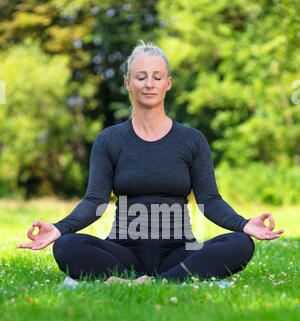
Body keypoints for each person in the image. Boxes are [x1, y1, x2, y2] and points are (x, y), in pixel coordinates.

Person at [17, 40, 285, 285]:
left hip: (179, 251)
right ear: (128, 84)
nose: (149, 84)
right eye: (141, 77)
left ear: (168, 83)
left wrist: (243, 224)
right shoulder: (109, 140)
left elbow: (210, 200)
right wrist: (60, 228)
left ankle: (157, 282)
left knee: (240, 244)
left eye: (157, 77)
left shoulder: (192, 140)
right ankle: (163, 280)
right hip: (123, 252)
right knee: (66, 247)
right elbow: (94, 203)